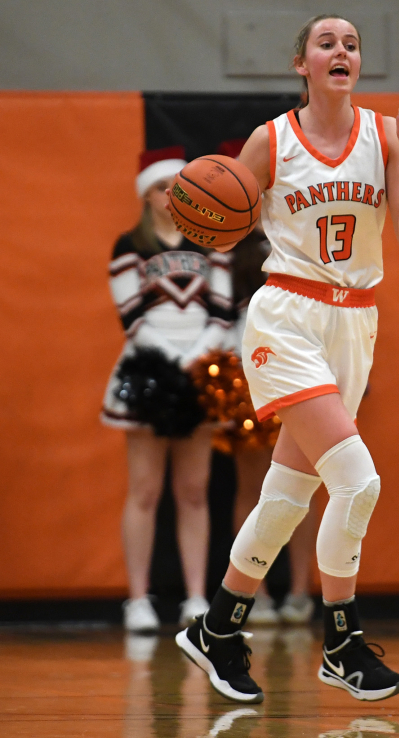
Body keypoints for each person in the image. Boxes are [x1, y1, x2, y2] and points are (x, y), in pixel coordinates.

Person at [175, 14, 399, 704]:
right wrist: (210, 217)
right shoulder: (273, 139)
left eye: (351, 43)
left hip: (355, 324)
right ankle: (342, 641)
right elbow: (221, 230)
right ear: (302, 64)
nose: (341, 51)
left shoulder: (383, 135)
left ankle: (218, 631)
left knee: (288, 497)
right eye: (327, 42)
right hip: (286, 319)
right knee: (358, 482)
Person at [103, 147, 233, 631]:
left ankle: (197, 597)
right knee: (144, 490)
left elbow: (223, 311)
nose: (171, 194)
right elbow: (130, 318)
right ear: (146, 195)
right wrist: (172, 362)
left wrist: (196, 357)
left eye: (179, 186)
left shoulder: (214, 241)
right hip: (146, 374)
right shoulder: (127, 246)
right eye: (162, 187)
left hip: (200, 374)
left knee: (194, 491)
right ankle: (137, 599)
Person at [226, 217, 321, 626]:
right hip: (246, 371)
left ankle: (300, 591)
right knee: (252, 487)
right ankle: (255, 593)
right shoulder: (226, 248)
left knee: (302, 486)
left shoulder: (305, 231)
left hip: (302, 367)